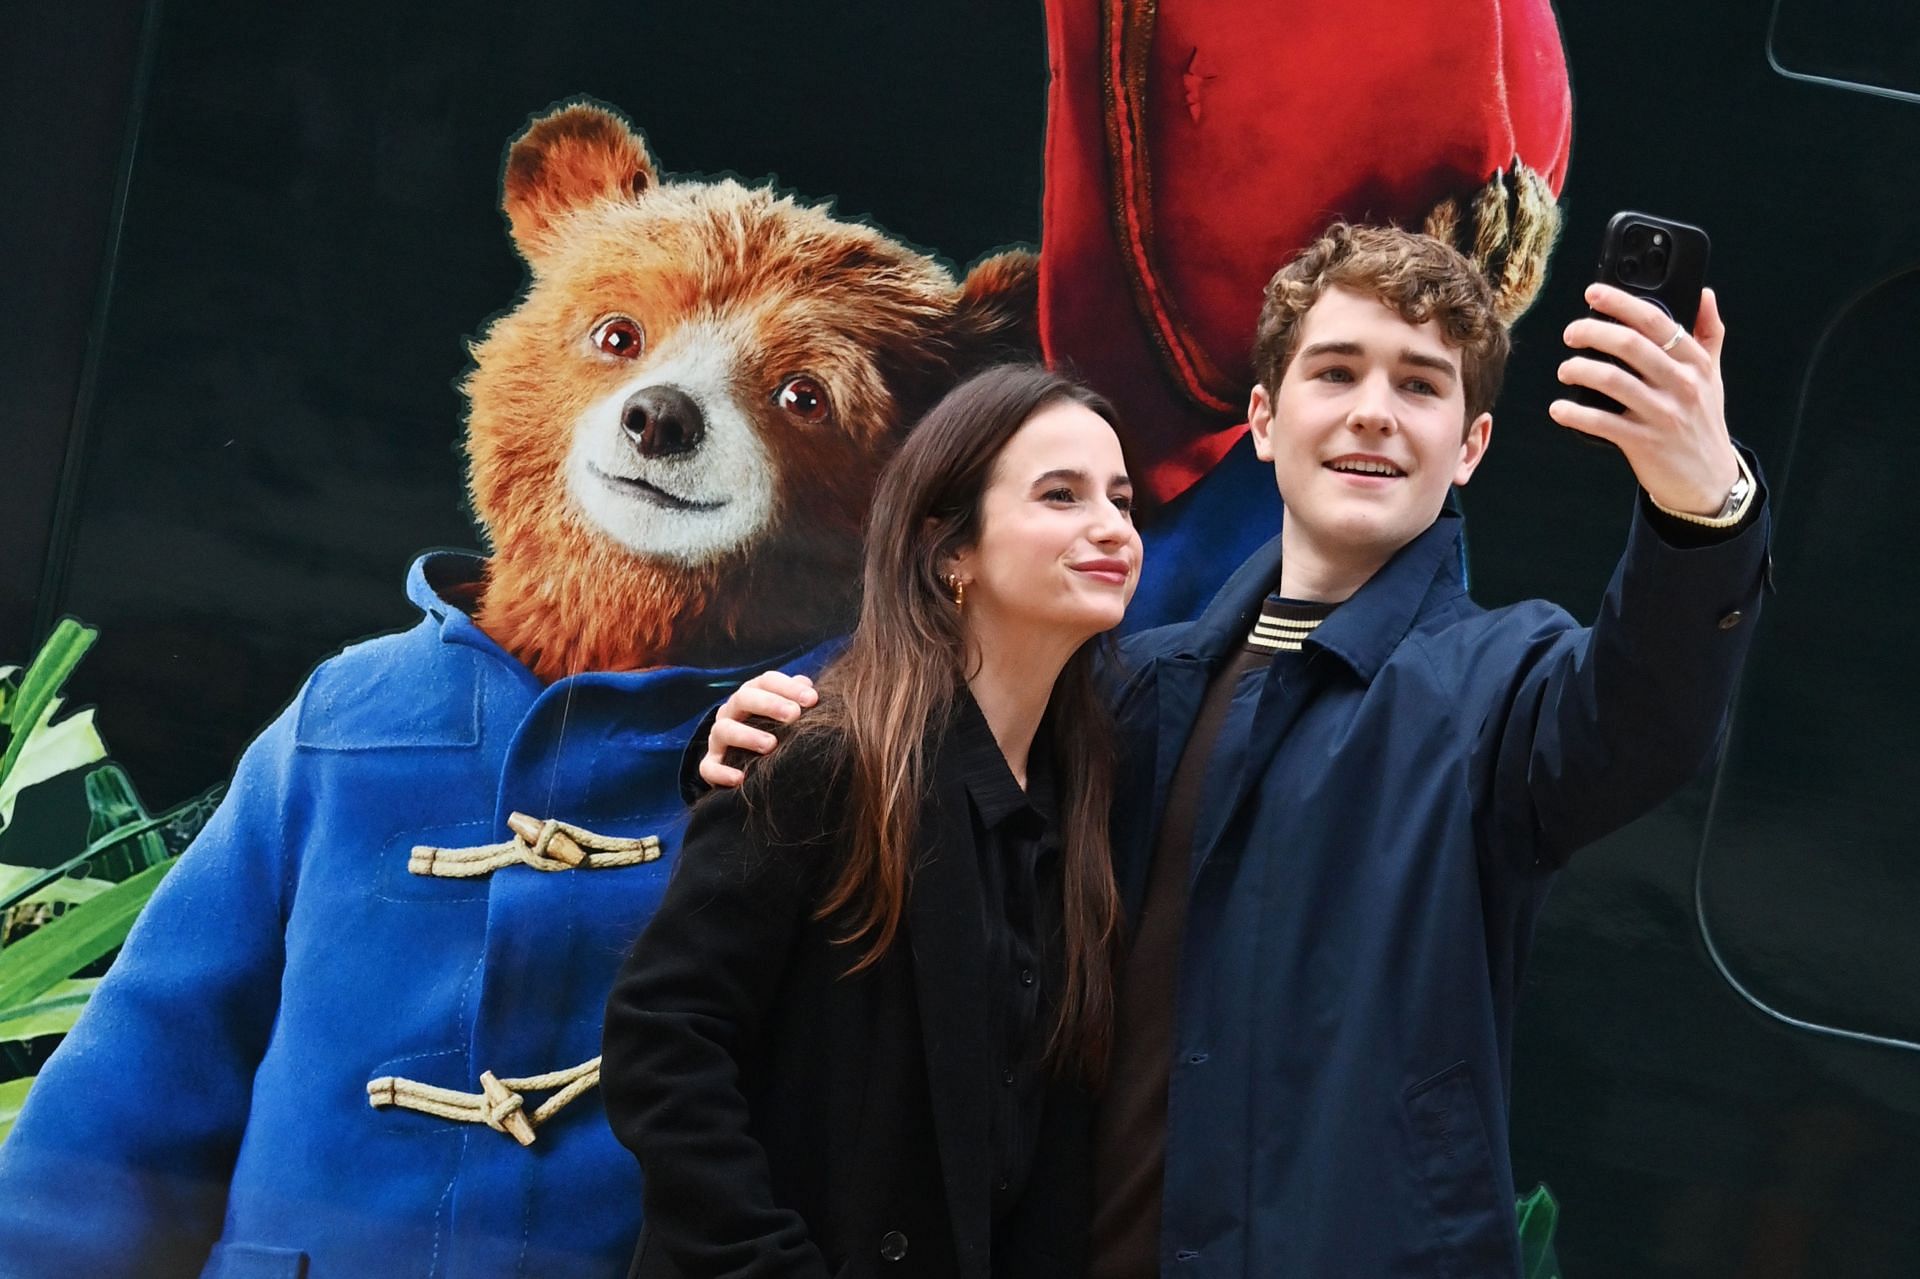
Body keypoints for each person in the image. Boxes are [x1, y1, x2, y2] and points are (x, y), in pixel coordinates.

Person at [694, 223, 1772, 1275]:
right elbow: (916, 739)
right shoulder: (1125, 687)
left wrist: (1703, 508)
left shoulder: (1501, 686)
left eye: (1420, 385)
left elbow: (1644, 719)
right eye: (1336, 371)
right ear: (1263, 419)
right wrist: (764, 726)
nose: (1373, 414)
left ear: (1471, 447)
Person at [600, 363, 1143, 1278]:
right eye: (1061, 495)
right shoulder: (824, 759)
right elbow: (663, 1037)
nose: (1111, 528)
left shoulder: (1082, 795)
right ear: (948, 551)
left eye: (1122, 502)